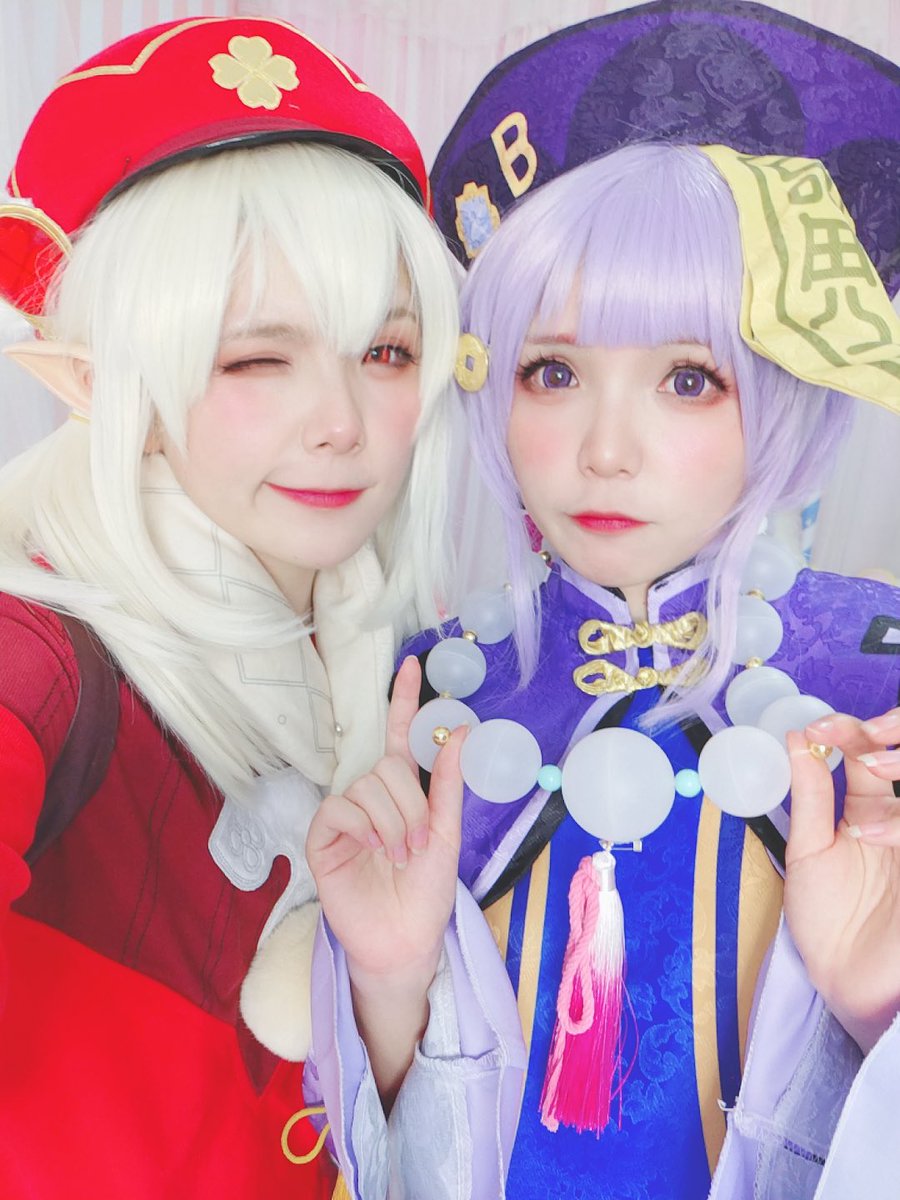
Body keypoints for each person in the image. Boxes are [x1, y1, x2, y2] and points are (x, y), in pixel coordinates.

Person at [303, 4, 900, 1198]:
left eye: (688, 379)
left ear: (787, 393)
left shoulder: (875, 686)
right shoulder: (435, 688)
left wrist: (877, 1003)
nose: (603, 451)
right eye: (553, 371)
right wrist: (387, 986)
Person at [0, 15, 459, 1199]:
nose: (343, 424)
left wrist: (389, 986)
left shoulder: (402, 656)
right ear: (101, 383)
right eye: (258, 360)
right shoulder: (39, 650)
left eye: (386, 352)